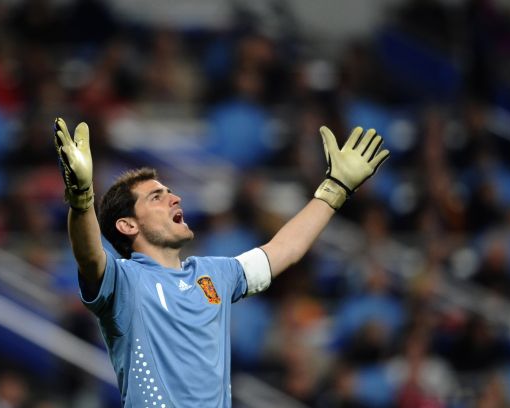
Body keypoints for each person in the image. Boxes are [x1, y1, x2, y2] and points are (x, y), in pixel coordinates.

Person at [53, 117, 389, 407]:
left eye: (170, 192)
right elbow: (89, 254)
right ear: (128, 225)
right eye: (157, 197)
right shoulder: (123, 281)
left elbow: (284, 249)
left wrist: (335, 188)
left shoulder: (214, 273)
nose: (175, 198)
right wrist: (82, 200)